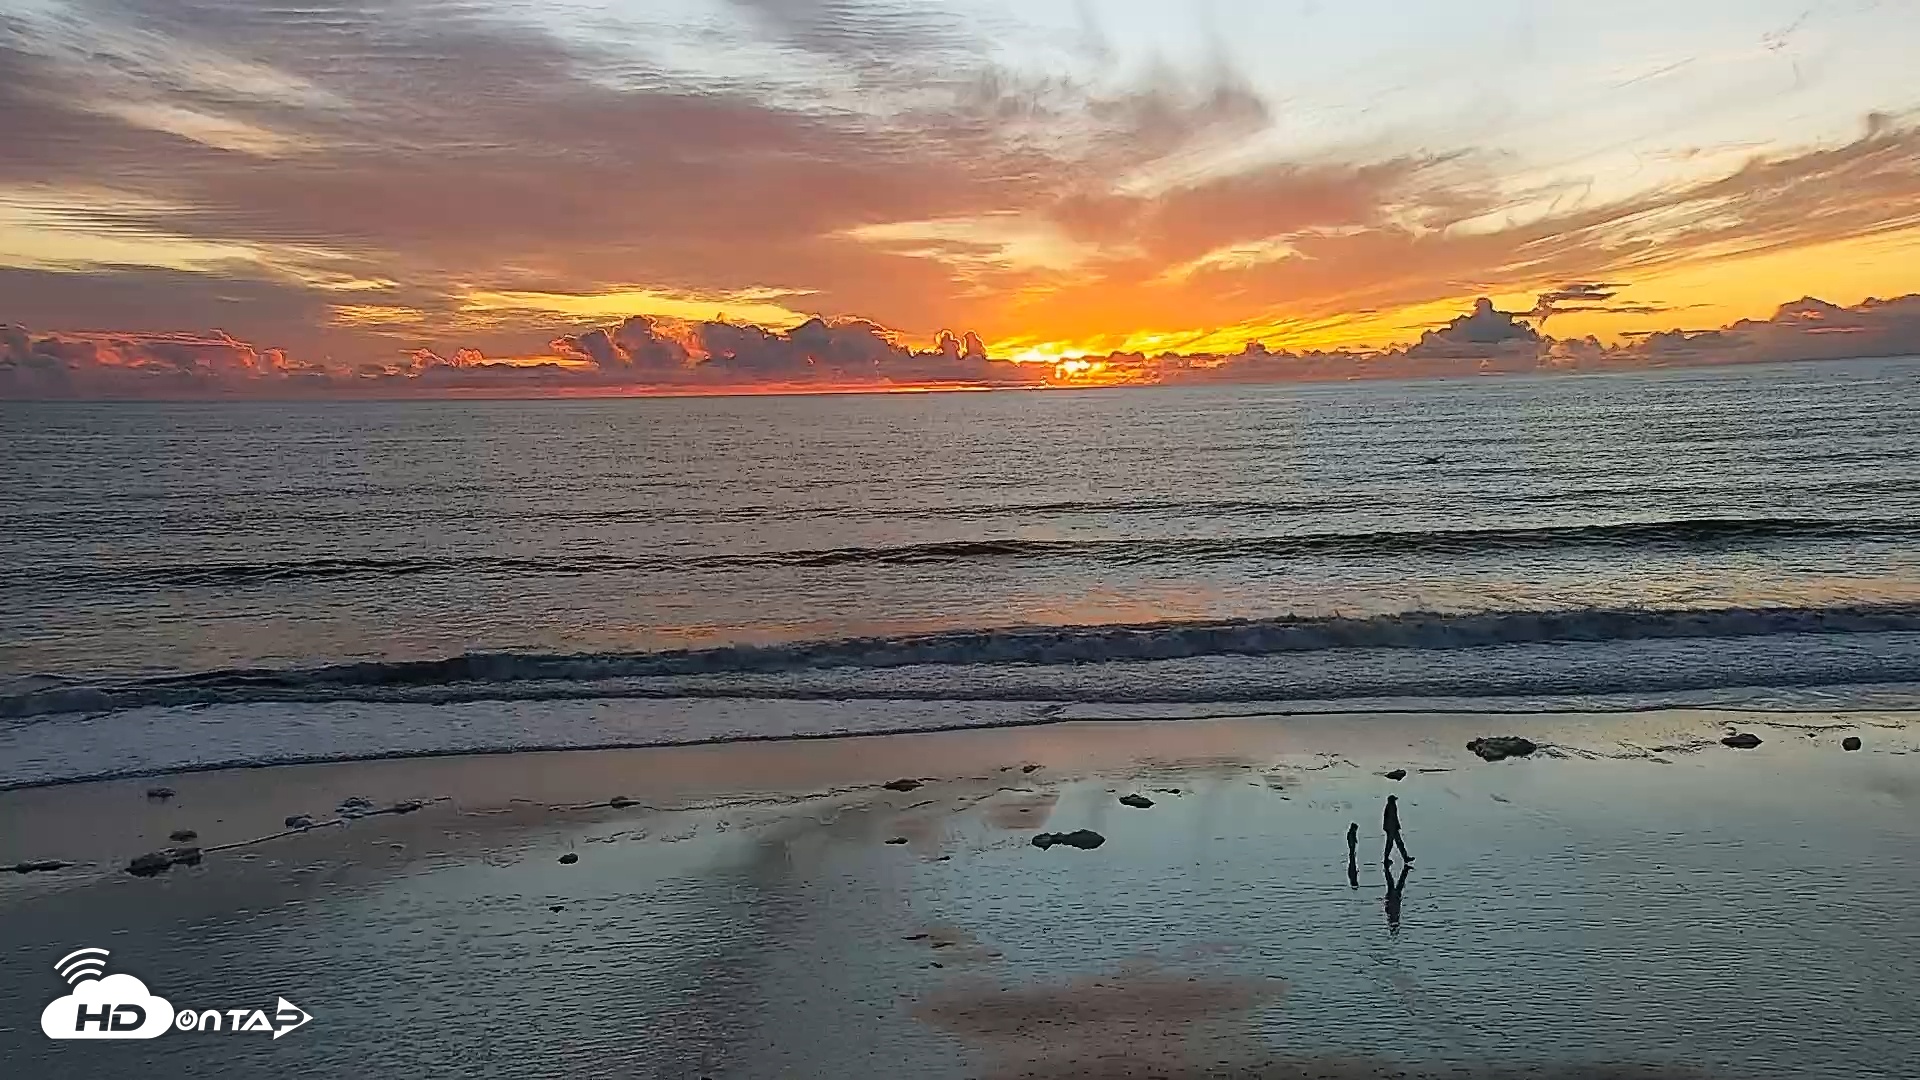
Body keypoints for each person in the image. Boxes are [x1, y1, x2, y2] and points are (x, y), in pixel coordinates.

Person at [1383, 795, 1413, 864]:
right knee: (1393, 844)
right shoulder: (1391, 807)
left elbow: (1391, 818)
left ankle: (1405, 858)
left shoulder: (1390, 806)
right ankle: (1387, 859)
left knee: (1396, 844)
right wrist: (1395, 827)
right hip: (1392, 829)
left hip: (1392, 828)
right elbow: (1393, 818)